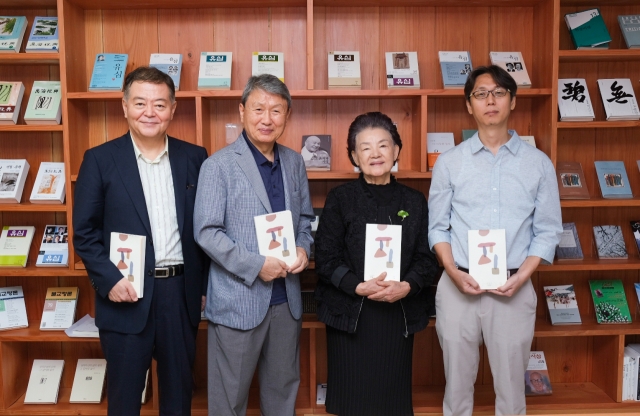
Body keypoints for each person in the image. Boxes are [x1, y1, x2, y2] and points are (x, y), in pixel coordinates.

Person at [73, 66, 209, 416]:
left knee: (179, 396)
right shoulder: (99, 159)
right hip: (125, 293)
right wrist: (109, 281)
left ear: (173, 109)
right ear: (124, 106)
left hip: (179, 293)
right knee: (125, 398)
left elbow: (205, 227)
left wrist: (204, 284)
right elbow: (84, 233)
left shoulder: (195, 157)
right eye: (140, 103)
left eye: (160, 104)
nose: (150, 112)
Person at [428, 65, 562, 416]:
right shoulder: (449, 162)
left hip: (514, 285)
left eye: (499, 93)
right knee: (456, 389)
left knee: (511, 393)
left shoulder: (538, 164)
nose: (491, 100)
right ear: (469, 105)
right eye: (481, 94)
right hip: (459, 283)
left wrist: (524, 275)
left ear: (512, 101)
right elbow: (437, 228)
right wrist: (453, 272)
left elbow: (548, 230)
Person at [194, 73, 314, 416]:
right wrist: (256, 265)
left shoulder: (293, 162)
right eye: (259, 108)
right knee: (228, 401)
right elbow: (207, 232)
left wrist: (304, 249)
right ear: (242, 111)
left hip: (286, 300)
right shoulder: (218, 166)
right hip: (238, 300)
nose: (267, 119)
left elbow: (305, 220)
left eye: (276, 111)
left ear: (287, 116)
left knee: (282, 395)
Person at [314, 112, 439, 416]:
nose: (375, 154)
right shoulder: (340, 198)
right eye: (365, 147)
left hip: (398, 313)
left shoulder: (414, 201)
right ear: (354, 156)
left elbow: (427, 257)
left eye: (383, 145)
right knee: (350, 401)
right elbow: (326, 256)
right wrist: (357, 286)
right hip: (350, 314)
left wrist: (406, 286)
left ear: (396, 150)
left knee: (391, 402)